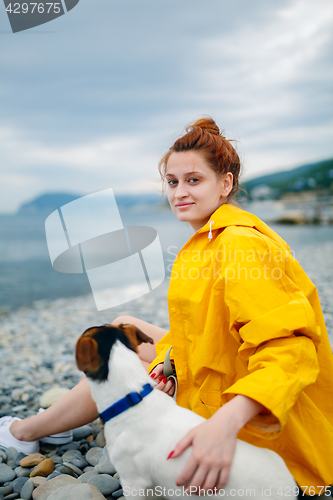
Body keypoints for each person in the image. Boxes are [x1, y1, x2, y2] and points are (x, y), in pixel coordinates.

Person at [1, 117, 333, 495]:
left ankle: (24, 432)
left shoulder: (241, 246)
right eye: (173, 182)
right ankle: (58, 423)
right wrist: (172, 368)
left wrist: (223, 425)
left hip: (258, 425)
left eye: (194, 180)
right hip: (227, 374)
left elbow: (290, 351)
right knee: (123, 328)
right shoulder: (211, 238)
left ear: (224, 184)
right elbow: (210, 336)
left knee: (115, 351)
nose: (179, 192)